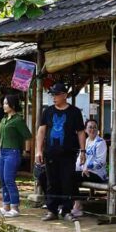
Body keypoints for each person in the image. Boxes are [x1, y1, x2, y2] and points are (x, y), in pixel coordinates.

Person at [35, 82, 86, 221]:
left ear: (64, 95)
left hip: (68, 153)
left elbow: (81, 132)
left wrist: (83, 151)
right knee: (52, 182)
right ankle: (52, 210)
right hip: (50, 153)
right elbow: (41, 131)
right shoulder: (48, 111)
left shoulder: (74, 112)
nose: (54, 97)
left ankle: (67, 210)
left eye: (57, 94)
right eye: (53, 94)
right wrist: (38, 150)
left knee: (67, 181)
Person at [0, 94, 32, 218]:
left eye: (6, 103)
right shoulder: (4, 119)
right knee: (2, 180)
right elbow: (1, 137)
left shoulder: (18, 120)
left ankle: (15, 208)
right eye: (3, 103)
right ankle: (5, 206)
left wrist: (26, 151)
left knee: (9, 180)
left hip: (13, 153)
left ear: (13, 105)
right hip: (2, 152)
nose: (4, 106)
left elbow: (28, 136)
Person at [70, 119, 108, 215]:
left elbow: (101, 162)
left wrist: (87, 167)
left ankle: (78, 205)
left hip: (97, 174)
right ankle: (69, 203)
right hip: (86, 172)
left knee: (71, 177)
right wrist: (77, 168)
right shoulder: (86, 141)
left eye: (95, 127)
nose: (92, 129)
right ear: (85, 130)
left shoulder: (100, 142)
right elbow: (80, 160)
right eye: (90, 127)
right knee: (68, 175)